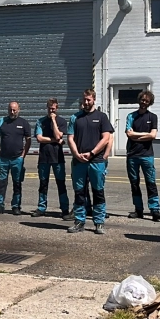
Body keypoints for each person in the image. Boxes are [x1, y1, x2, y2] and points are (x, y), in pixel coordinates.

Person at [66, 89, 114, 234]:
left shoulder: (101, 117)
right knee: (79, 192)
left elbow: (106, 137)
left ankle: (99, 222)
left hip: (96, 161)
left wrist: (93, 153)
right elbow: (70, 138)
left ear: (94, 99)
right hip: (79, 161)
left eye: (89, 100)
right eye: (84, 100)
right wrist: (76, 154)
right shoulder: (75, 117)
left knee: (98, 192)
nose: (86, 103)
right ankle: (79, 221)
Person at [125, 90, 160, 221]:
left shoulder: (153, 117)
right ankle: (138, 209)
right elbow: (129, 134)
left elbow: (153, 135)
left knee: (151, 183)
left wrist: (137, 136)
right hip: (132, 155)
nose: (144, 103)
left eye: (146, 101)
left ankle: (155, 210)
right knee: (134, 183)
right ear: (139, 100)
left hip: (147, 155)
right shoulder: (131, 116)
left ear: (150, 103)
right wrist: (144, 136)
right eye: (142, 100)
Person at [32, 98, 70, 219]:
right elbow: (39, 138)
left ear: (57, 108)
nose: (51, 110)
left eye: (53, 108)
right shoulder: (40, 121)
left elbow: (59, 134)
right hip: (44, 157)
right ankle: (41, 207)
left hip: (57, 157)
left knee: (61, 184)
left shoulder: (62, 121)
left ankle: (64, 209)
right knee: (43, 183)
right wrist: (56, 141)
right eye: (49, 108)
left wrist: (53, 120)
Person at [0, 102, 32, 215]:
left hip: (17, 160)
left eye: (14, 110)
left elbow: (28, 140)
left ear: (19, 109)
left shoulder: (24, 123)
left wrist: (23, 155)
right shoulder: (2, 121)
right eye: (10, 110)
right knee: (1, 183)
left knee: (17, 183)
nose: (12, 112)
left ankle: (16, 206)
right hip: (3, 159)